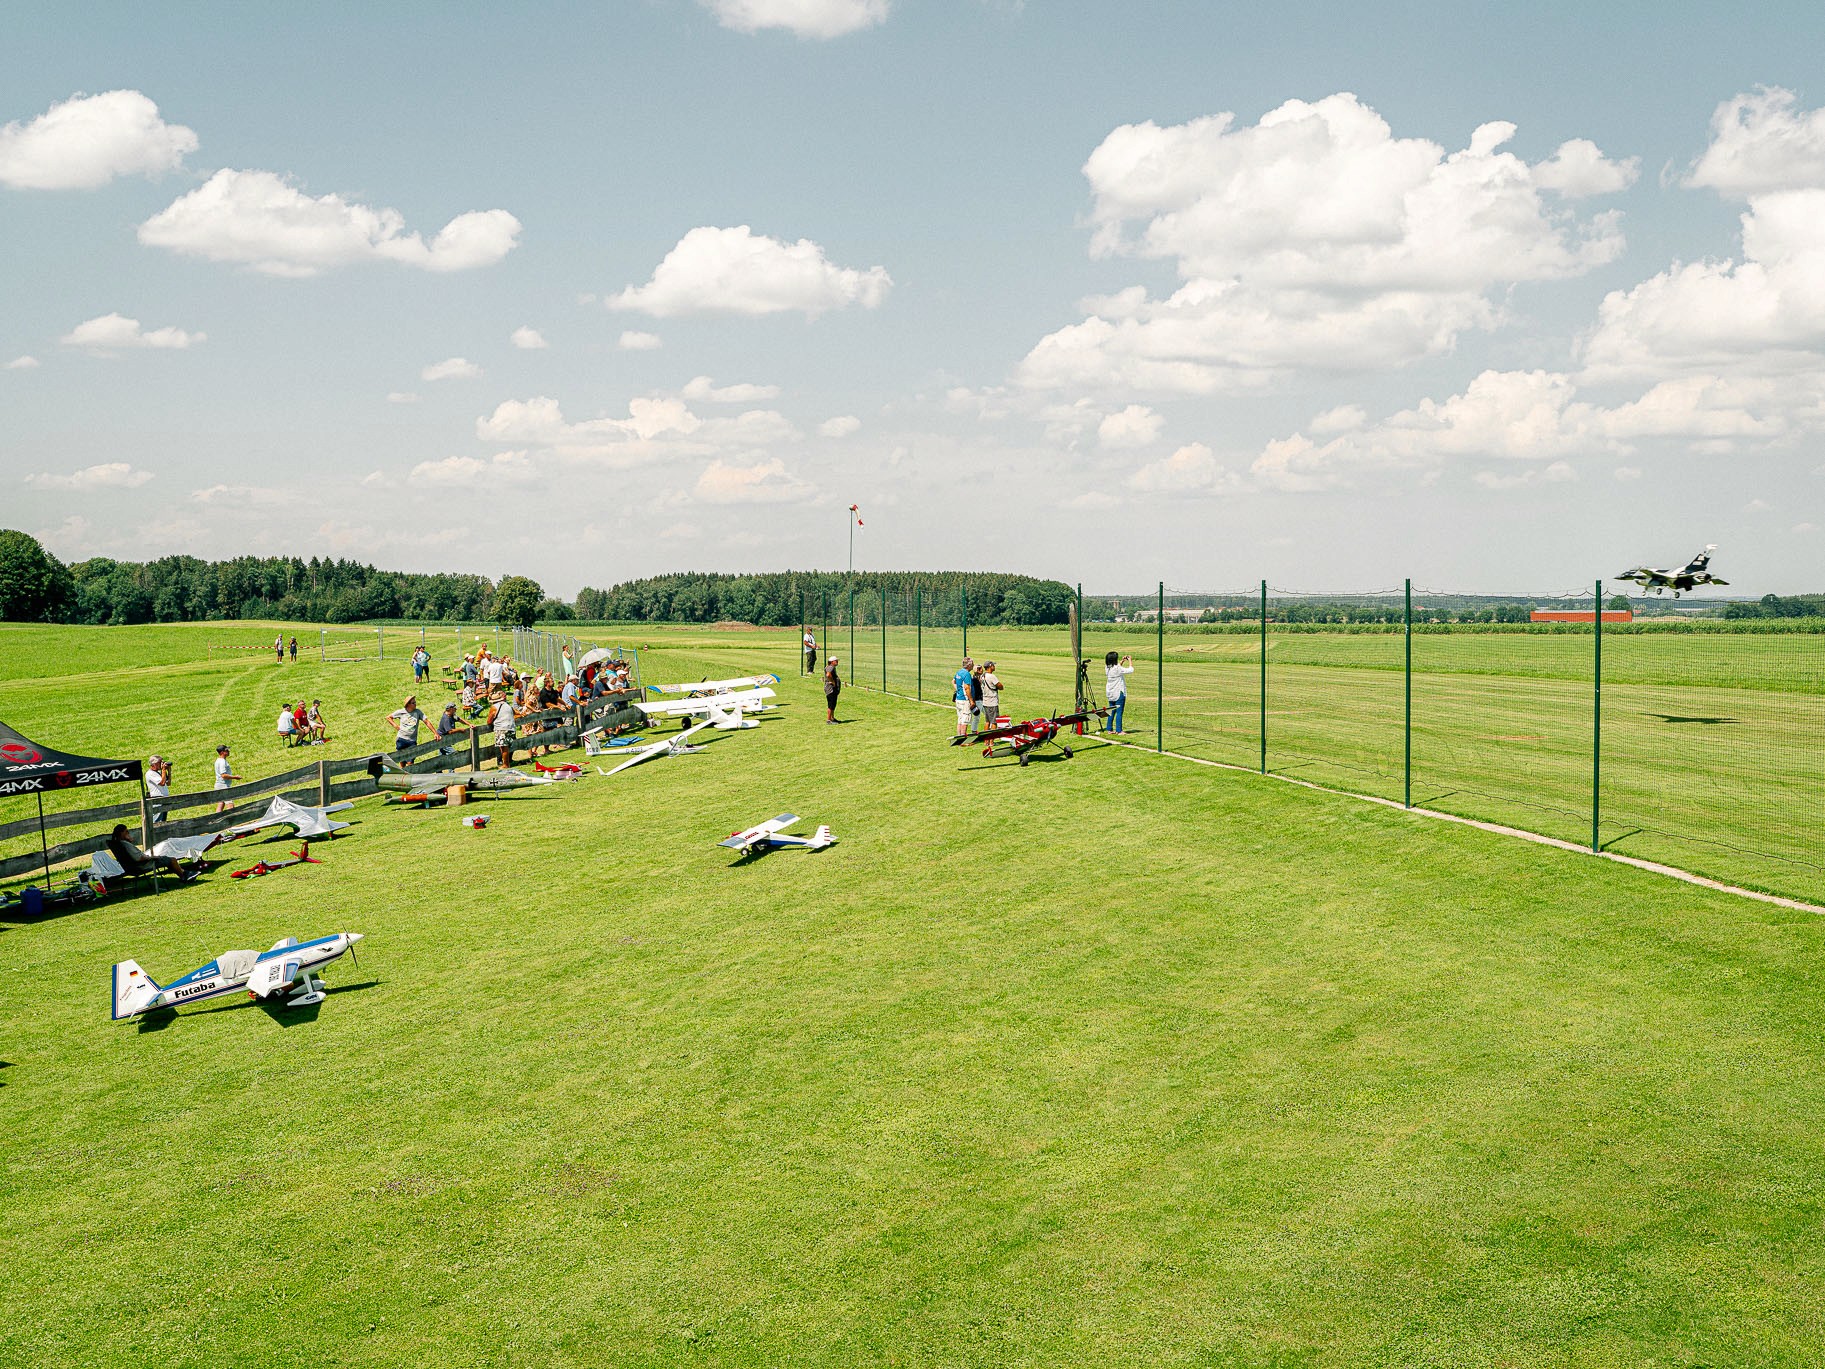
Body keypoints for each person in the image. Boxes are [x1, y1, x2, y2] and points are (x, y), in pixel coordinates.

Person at [108, 824, 201, 883]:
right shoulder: (125, 844)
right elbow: (138, 858)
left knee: (166, 859)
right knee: (172, 860)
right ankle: (184, 876)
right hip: (143, 865)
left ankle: (184, 873)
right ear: (121, 834)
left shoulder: (119, 844)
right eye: (126, 832)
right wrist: (151, 858)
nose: (128, 833)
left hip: (135, 866)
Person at [1103, 651, 1134, 734]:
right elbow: (1130, 670)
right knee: (1119, 712)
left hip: (1110, 692)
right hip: (1118, 692)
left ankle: (1109, 728)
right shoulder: (1118, 669)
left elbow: (1117, 667)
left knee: (1111, 711)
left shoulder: (1107, 667)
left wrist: (1122, 661)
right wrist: (1130, 660)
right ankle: (1119, 730)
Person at [491, 691, 518, 769]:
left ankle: (505, 764)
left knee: (503, 747)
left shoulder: (494, 707)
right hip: (511, 727)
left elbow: (489, 720)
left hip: (501, 728)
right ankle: (507, 762)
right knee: (508, 746)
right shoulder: (507, 705)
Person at [952, 657, 975, 737]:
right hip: (965, 700)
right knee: (965, 719)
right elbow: (967, 688)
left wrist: (958, 690)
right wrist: (971, 700)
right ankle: (963, 739)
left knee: (960, 719)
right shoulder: (967, 674)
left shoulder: (959, 672)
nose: (973, 665)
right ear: (969, 665)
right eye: (972, 664)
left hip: (958, 699)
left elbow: (953, 681)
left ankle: (959, 737)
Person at [145, 754, 171, 824]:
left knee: (163, 821)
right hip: (158, 800)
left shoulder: (158, 773)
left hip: (164, 800)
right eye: (160, 762)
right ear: (154, 764)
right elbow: (162, 783)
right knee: (157, 821)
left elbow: (168, 783)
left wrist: (169, 771)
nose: (162, 764)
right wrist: (163, 770)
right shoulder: (150, 773)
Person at [213, 744, 239, 811]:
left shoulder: (218, 760)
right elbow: (223, 775)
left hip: (218, 785)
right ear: (222, 752)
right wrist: (235, 777)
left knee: (221, 803)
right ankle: (231, 820)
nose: (228, 751)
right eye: (226, 750)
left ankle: (217, 819)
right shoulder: (222, 762)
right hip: (223, 785)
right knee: (230, 804)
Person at [979, 661, 1002, 728]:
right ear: (990, 667)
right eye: (993, 665)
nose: (994, 667)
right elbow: (1000, 686)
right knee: (994, 722)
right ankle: (991, 738)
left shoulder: (982, 676)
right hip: (992, 702)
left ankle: (986, 738)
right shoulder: (992, 676)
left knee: (987, 721)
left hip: (985, 701)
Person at [823, 654, 842, 723]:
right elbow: (828, 675)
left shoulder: (830, 667)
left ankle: (832, 718)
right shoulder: (831, 667)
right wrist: (833, 682)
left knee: (833, 704)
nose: (837, 662)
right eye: (836, 661)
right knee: (831, 704)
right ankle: (829, 720)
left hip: (832, 688)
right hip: (831, 689)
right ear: (831, 662)